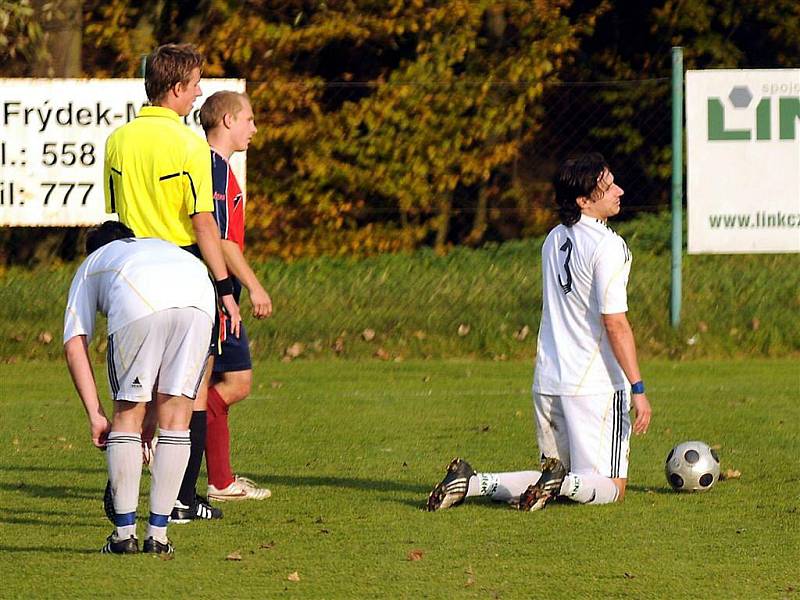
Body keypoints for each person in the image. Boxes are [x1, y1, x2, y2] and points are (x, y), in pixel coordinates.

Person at [427, 152, 652, 512]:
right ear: (583, 201)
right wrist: (637, 387)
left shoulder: (553, 240)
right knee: (612, 486)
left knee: (555, 478)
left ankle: (472, 483)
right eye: (608, 187)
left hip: (548, 380)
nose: (620, 191)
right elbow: (615, 322)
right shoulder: (609, 246)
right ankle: (556, 482)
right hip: (593, 385)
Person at [104, 42, 239, 522]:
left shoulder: (118, 139)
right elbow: (203, 221)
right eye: (197, 84)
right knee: (188, 391)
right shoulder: (188, 145)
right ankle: (182, 498)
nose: (200, 93)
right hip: (183, 272)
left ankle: (120, 490)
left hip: (132, 272)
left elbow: (118, 215)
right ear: (177, 88)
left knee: (133, 395)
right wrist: (224, 289)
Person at [64, 221, 216, 554]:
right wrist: (151, 426)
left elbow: (75, 343)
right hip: (201, 295)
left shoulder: (93, 263)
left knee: (126, 416)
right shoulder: (159, 248)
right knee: (176, 420)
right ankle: (158, 537)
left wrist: (96, 415)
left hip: (140, 300)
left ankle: (123, 536)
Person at [185, 90, 272, 502]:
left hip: (217, 291)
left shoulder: (222, 170)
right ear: (227, 121)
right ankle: (157, 449)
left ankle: (219, 479)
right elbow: (220, 241)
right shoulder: (214, 170)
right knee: (222, 384)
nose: (254, 128)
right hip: (215, 291)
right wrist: (250, 288)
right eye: (249, 119)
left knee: (226, 381)